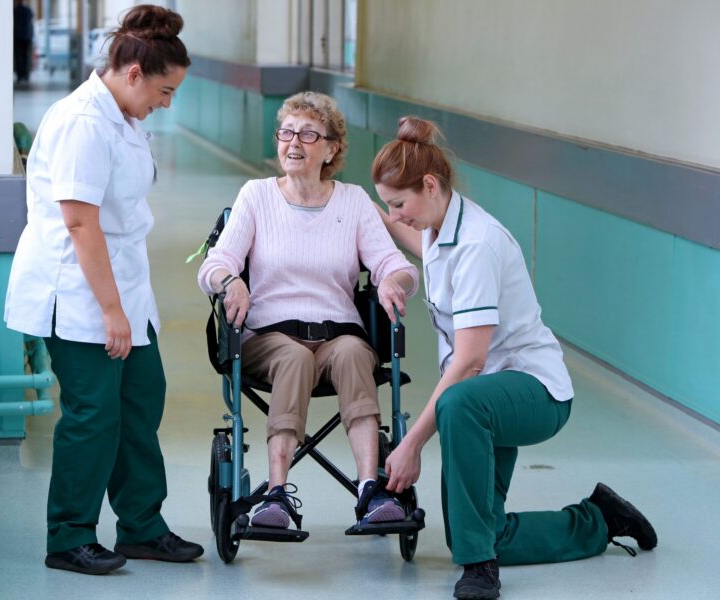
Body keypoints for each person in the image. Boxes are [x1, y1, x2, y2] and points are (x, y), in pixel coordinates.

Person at [371, 117, 657, 600]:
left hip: (533, 391)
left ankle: (480, 568)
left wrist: (412, 444)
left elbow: (469, 363)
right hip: (490, 397)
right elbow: (421, 246)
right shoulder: (442, 229)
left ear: (431, 185)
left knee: (456, 405)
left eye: (399, 205)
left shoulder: (479, 244)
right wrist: (363, 214)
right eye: (388, 207)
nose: (397, 216)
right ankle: (600, 518)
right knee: (483, 527)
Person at [5, 5, 203, 576]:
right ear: (134, 73)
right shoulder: (82, 122)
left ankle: (141, 525)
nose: (167, 104)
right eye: (165, 91)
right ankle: (69, 535)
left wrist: (126, 306)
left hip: (124, 285)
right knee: (94, 412)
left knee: (141, 400)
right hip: (79, 290)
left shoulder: (124, 116)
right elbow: (80, 223)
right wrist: (112, 311)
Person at [198, 92, 419, 529]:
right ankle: (276, 495)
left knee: (357, 353)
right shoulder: (256, 196)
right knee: (295, 357)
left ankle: (370, 491)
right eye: (286, 132)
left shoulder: (353, 202)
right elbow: (214, 265)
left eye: (308, 134)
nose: (293, 142)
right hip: (270, 338)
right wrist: (231, 280)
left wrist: (395, 280)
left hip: (338, 337)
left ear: (332, 148)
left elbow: (397, 265)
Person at [13, 0, 34, 84]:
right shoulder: (28, 11)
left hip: (17, 37)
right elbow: (30, 23)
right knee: (26, 56)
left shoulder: (15, 11)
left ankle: (19, 75)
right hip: (26, 37)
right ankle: (26, 74)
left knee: (19, 56)